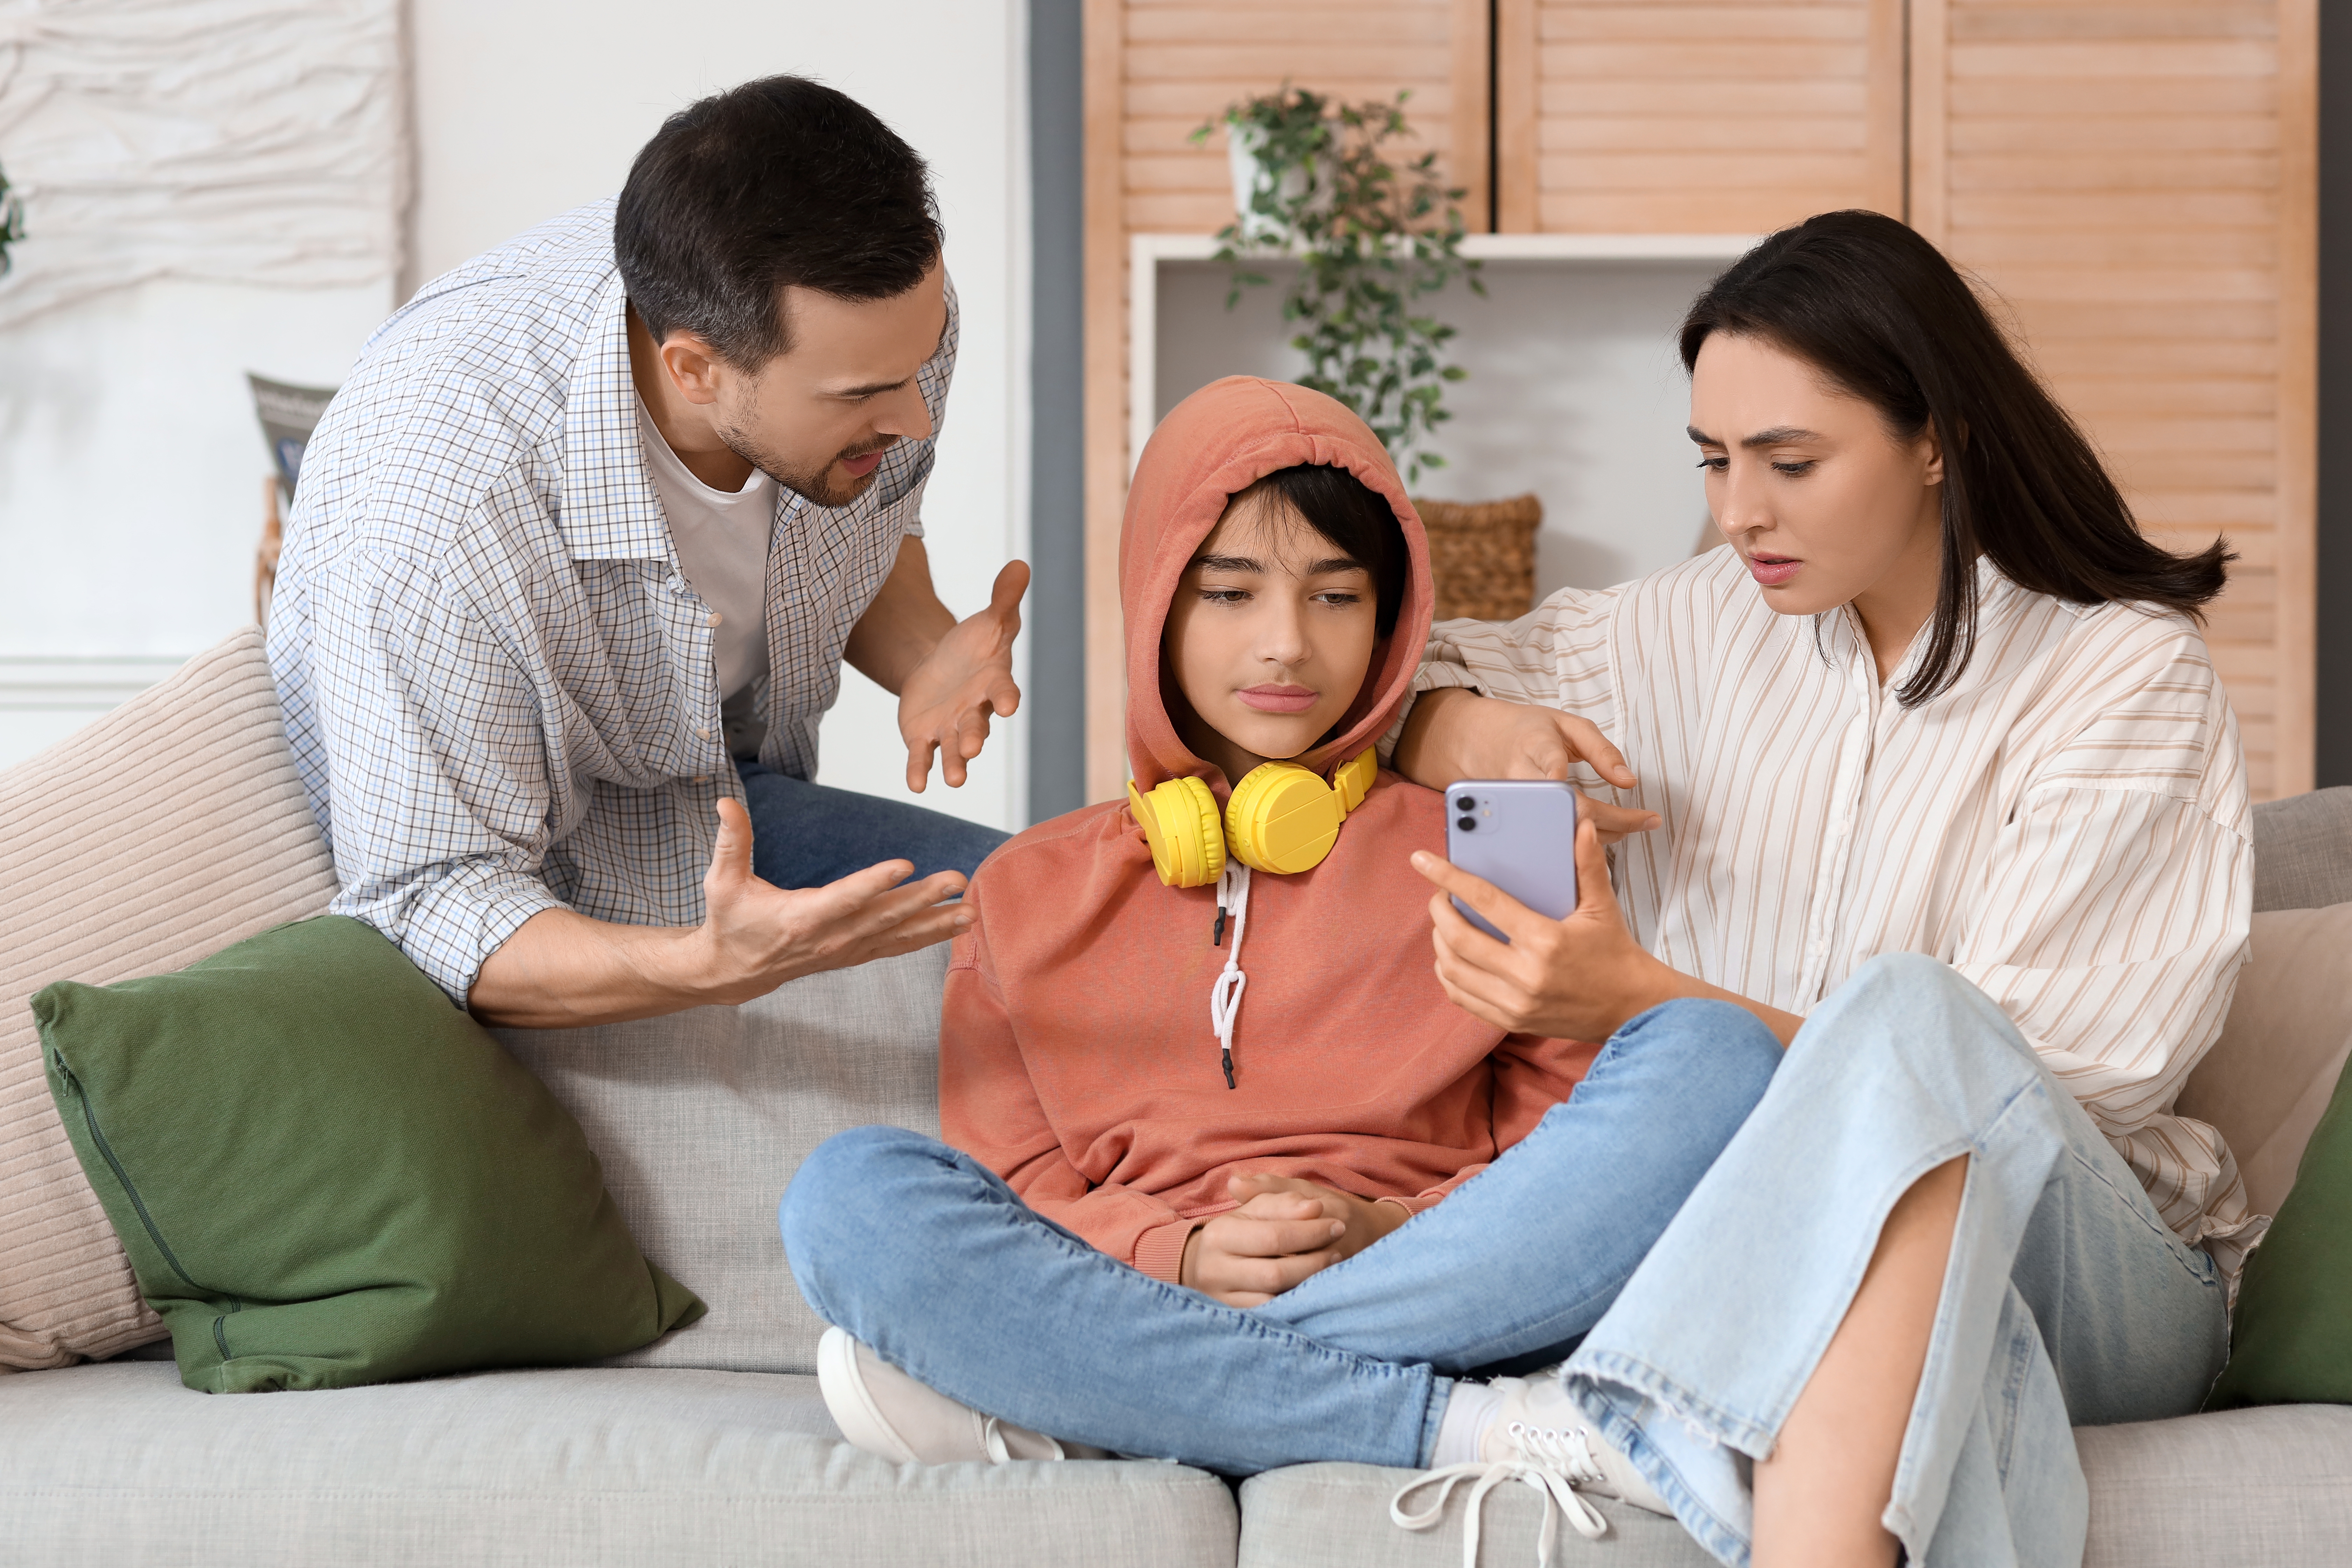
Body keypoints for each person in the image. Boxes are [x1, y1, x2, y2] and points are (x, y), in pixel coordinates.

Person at [1391, 210, 2252, 1565]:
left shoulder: (2122, 677)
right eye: (1715, 461)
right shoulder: (1688, 623)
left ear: (1934, 439)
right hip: (1789, 1256)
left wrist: (1646, 1002)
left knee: (1914, 1017)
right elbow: (1403, 673)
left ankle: (1631, 1395)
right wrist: (1492, 737)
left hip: (2089, 1264)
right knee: (1877, 1301)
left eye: (1791, 461)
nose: (1741, 511)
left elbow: (2022, 1105)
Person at [780, 376, 1781, 1530]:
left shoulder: (1497, 840)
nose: (1287, 647)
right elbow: (1020, 1186)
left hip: (1438, 1277)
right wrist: (1185, 1254)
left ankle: (1104, 1398)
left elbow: (1557, 1152)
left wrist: (1388, 1231)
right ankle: (1462, 1426)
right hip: (1162, 1285)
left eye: (1337, 596)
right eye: (1230, 592)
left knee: (1714, 1053)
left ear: (1390, 618)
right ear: (1156, 604)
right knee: (847, 1201)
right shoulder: (1029, 890)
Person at [267, 76, 1024, 1028]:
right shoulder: (440, 519)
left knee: (1091, 918)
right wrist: (705, 968)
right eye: (868, 394)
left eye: (919, 368)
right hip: (538, 881)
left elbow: (855, 514)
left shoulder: (879, 331)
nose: (914, 415)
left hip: (726, 801)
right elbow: (427, 906)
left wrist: (923, 652)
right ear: (695, 370)